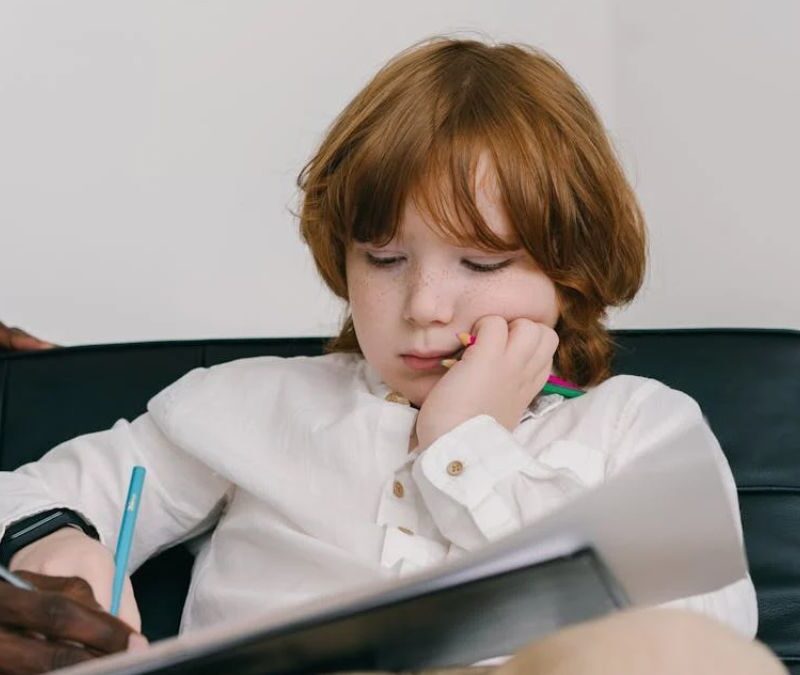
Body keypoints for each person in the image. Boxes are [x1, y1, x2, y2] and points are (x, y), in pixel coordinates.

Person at [0, 37, 782, 673]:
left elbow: (701, 644)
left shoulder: (637, 427)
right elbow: (25, 497)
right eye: (382, 257)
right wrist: (58, 541)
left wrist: (463, 446)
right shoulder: (247, 403)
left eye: (481, 264)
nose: (424, 307)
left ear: (569, 270)